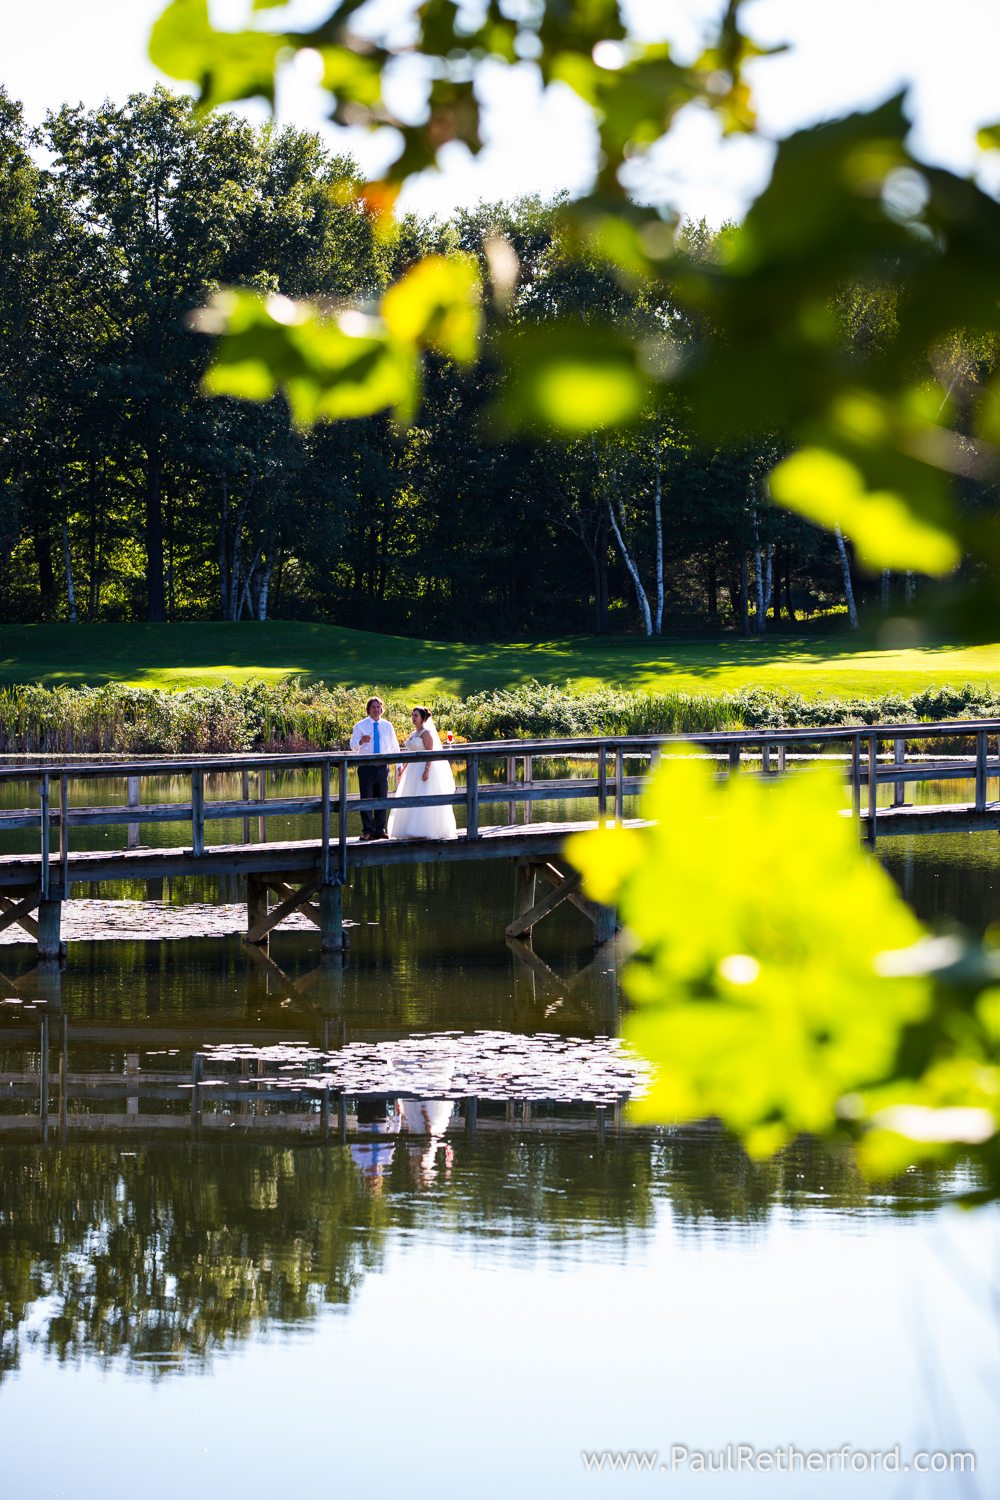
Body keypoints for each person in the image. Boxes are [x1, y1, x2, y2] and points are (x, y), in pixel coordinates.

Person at [388, 707, 458, 841]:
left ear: (423, 718)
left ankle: (424, 829)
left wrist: (426, 770)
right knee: (411, 795)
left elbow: (430, 754)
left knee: (423, 795)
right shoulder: (414, 734)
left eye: (416, 715)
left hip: (423, 768)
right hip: (412, 770)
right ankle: (409, 829)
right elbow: (411, 754)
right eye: (412, 715)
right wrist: (403, 770)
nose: (413, 718)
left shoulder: (426, 734)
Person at [350, 696, 400, 841]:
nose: (376, 710)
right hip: (366, 767)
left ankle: (380, 830)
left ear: (381, 709)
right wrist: (360, 741)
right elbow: (352, 745)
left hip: (382, 767)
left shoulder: (387, 726)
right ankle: (367, 831)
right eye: (373, 707)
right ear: (368, 709)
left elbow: (394, 746)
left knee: (382, 798)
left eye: (378, 707)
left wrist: (399, 766)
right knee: (366, 798)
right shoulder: (360, 725)